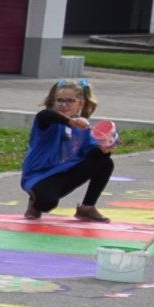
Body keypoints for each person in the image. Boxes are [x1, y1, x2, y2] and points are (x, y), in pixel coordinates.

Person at [20, 79, 114, 223]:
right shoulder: (49, 121)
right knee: (47, 203)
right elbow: (44, 115)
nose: (64, 104)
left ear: (80, 104)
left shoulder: (84, 127)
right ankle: (34, 203)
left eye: (70, 101)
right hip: (39, 176)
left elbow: (94, 153)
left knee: (105, 161)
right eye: (60, 100)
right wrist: (70, 121)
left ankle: (87, 207)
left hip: (66, 173)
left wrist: (105, 147)